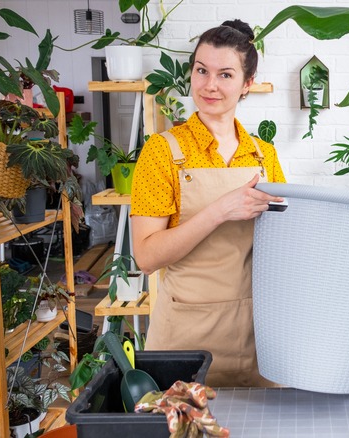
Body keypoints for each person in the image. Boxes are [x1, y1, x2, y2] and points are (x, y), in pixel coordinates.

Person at [130, 19, 286, 388]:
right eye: (201, 70)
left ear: (247, 84)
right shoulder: (162, 151)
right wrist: (219, 211)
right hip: (184, 338)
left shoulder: (265, 157)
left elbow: (280, 246)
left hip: (256, 336)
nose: (209, 85)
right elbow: (147, 257)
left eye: (225, 74)